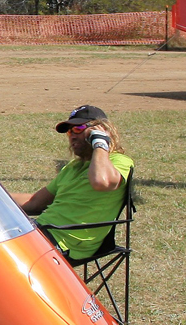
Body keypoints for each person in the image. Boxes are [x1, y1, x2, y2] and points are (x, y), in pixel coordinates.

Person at [20, 104, 134, 262]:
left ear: (101, 130)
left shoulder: (119, 161)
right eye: (69, 131)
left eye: (79, 128)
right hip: (40, 231)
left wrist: (100, 144)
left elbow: (101, 182)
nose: (72, 135)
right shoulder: (73, 167)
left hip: (64, 243)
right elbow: (35, 202)